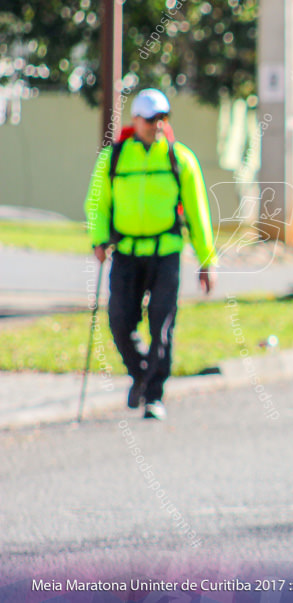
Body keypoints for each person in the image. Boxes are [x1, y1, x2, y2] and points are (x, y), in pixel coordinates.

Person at [84, 89, 218, 421]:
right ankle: (141, 374)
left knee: (161, 324)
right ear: (136, 120)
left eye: (162, 118)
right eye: (149, 119)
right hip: (127, 252)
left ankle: (153, 396)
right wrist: (99, 239)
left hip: (166, 254)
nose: (156, 125)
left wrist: (207, 261)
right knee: (119, 321)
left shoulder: (179, 158)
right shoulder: (113, 158)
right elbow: (97, 203)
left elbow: (199, 213)